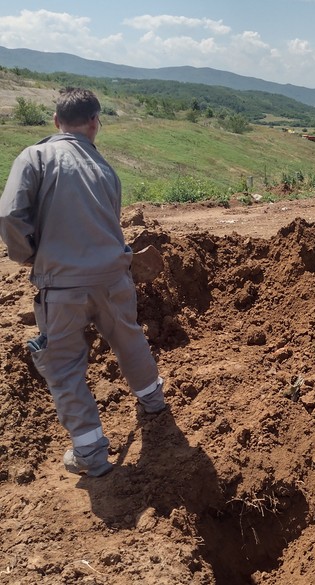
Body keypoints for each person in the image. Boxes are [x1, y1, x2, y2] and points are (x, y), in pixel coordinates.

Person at [0, 87, 166, 478]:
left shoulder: (35, 157)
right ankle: (153, 401)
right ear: (95, 122)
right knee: (129, 337)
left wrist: (28, 254)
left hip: (62, 287)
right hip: (113, 277)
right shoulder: (105, 168)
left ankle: (90, 454)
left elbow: (9, 215)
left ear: (56, 122)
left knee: (65, 364)